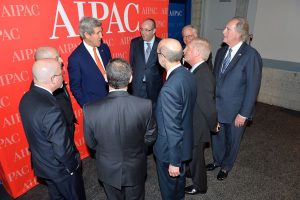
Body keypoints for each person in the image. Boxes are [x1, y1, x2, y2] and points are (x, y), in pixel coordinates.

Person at [83, 58, 157, 200]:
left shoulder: (90, 109)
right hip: (135, 167)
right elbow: (150, 137)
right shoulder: (145, 105)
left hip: (108, 169)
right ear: (130, 79)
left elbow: (91, 143)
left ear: (105, 77)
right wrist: (137, 148)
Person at [19, 59, 86, 200]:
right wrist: (73, 167)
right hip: (61, 170)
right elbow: (62, 149)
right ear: (52, 79)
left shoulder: (26, 98)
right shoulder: (51, 109)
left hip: (43, 166)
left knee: (56, 196)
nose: (63, 76)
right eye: (61, 74)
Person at [206, 17, 262, 180]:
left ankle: (226, 166)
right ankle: (217, 160)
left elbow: (253, 87)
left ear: (239, 33)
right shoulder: (221, 51)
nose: (223, 32)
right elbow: (216, 79)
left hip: (236, 110)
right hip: (218, 106)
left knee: (233, 140)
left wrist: (244, 114)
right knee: (217, 137)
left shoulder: (251, 55)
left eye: (227, 29)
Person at [153, 38, 197, 200]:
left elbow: (173, 128)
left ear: (162, 56)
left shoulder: (169, 89)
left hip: (170, 152)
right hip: (183, 144)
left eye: (157, 52)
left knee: (169, 191)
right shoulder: (188, 74)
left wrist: (174, 161)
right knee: (178, 186)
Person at [183, 38, 217, 195]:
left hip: (198, 124)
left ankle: (200, 186)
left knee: (197, 156)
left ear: (196, 52)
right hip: (194, 121)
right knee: (193, 153)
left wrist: (213, 124)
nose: (184, 51)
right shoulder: (197, 69)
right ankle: (191, 172)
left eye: (188, 49)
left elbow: (208, 106)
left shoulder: (202, 75)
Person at [34, 46, 77, 139]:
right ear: (45, 61)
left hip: (68, 126)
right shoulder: (41, 89)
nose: (61, 60)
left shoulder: (56, 78)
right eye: (57, 58)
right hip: (60, 132)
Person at [68, 16, 112, 107]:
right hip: (95, 106)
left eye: (101, 31)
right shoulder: (75, 58)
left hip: (112, 101)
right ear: (87, 35)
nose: (101, 36)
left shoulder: (104, 48)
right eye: (98, 33)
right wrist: (88, 107)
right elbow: (75, 87)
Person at [129, 18, 163, 108]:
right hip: (138, 86)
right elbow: (132, 63)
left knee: (153, 112)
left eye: (147, 30)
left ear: (154, 31)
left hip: (154, 85)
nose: (143, 32)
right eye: (141, 29)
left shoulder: (161, 43)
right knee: (138, 112)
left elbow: (163, 66)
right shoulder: (135, 43)